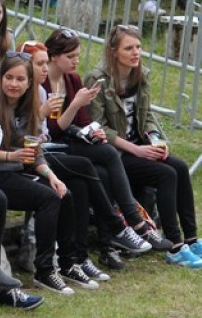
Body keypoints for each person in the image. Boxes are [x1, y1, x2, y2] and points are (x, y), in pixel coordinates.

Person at [85, 24, 202, 268]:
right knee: (166, 174)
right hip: (116, 154)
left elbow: (146, 116)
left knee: (179, 166)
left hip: (140, 145)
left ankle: (191, 238)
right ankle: (174, 246)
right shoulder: (98, 79)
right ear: (114, 51)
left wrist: (156, 139)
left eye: (138, 47)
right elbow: (99, 128)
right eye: (129, 48)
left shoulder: (141, 74)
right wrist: (136, 150)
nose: (135, 53)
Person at [42, 28, 163, 270]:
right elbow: (54, 129)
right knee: (105, 155)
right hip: (52, 147)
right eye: (70, 57)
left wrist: (93, 131)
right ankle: (131, 223)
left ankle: (97, 249)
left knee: (103, 167)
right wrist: (75, 104)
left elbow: (85, 121)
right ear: (54, 56)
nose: (76, 61)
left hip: (72, 142)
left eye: (78, 55)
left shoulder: (72, 79)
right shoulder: (43, 82)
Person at [0, 54, 86, 295]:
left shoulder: (29, 103)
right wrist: (11, 156)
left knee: (63, 193)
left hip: (16, 170)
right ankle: (45, 270)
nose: (14, 84)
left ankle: (69, 263)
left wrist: (52, 176)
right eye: (9, 78)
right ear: (0, 79)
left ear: (30, 83)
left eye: (20, 79)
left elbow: (34, 152)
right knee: (47, 198)